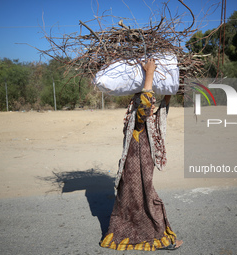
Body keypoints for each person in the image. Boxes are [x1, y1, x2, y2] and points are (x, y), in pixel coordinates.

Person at [100, 58, 183, 251]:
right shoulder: (140, 113)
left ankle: (129, 234)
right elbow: (146, 108)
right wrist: (150, 75)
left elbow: (158, 110)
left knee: (132, 198)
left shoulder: (143, 115)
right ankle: (156, 238)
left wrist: (171, 90)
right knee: (144, 198)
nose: (152, 105)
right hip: (136, 163)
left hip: (137, 162)